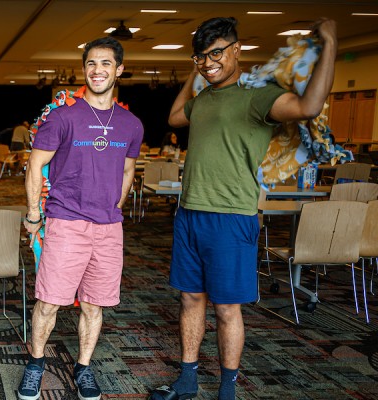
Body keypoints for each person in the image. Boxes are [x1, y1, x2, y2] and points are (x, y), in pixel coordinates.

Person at [149, 17, 337, 400]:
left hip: (232, 218)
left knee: (226, 309)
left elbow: (309, 105)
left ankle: (227, 390)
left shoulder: (258, 96)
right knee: (189, 299)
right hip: (190, 214)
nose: (208, 62)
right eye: (201, 56)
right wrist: (194, 72)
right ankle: (186, 381)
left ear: (237, 50)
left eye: (216, 52)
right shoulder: (204, 98)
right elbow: (173, 117)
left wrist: (331, 43)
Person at [17, 36, 142, 400]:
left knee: (94, 304)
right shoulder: (63, 117)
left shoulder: (131, 124)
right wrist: (33, 214)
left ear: (119, 69)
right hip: (66, 223)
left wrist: (112, 207)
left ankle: (84, 367)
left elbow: (127, 172)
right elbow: (35, 166)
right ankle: (36, 362)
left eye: (105, 64)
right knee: (50, 302)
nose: (97, 70)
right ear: (84, 69)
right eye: (91, 64)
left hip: (108, 228)